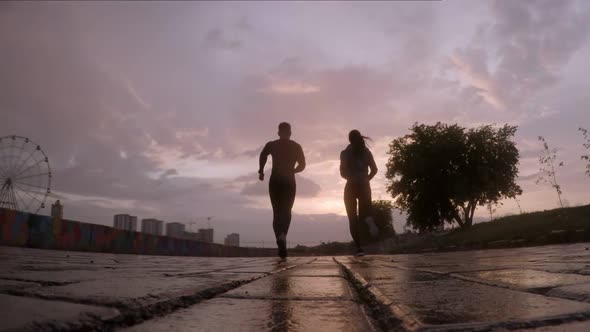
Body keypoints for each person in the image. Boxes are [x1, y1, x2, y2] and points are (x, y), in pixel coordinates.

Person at [259, 122, 306, 259]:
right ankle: (283, 235)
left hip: (275, 181)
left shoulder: (272, 144)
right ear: (290, 133)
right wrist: (293, 171)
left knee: (276, 212)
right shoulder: (296, 147)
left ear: (279, 133)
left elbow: (263, 155)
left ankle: (280, 241)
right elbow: (303, 165)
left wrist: (261, 171)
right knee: (287, 211)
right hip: (289, 181)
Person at [339, 129, 377, 256]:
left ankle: (359, 248)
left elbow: (342, 172)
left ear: (349, 140)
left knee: (352, 218)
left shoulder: (344, 153)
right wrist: (366, 179)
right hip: (364, 186)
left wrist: (350, 176)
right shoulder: (366, 152)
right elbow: (374, 169)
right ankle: (369, 219)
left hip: (350, 186)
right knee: (364, 214)